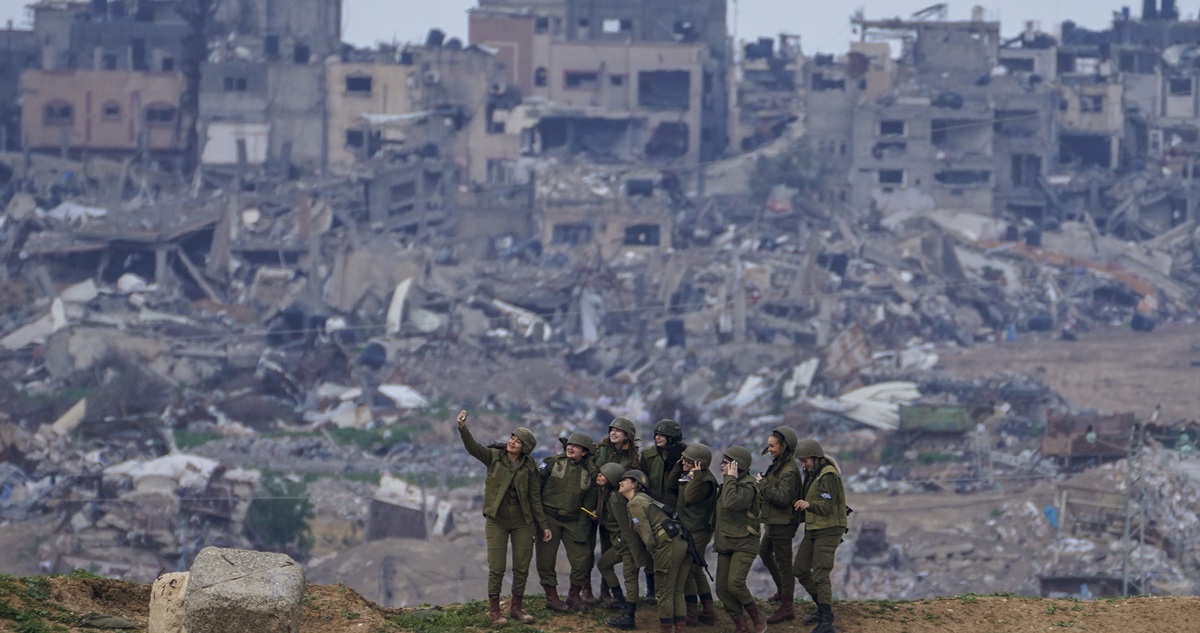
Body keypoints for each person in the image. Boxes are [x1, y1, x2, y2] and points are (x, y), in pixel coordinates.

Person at [456, 410, 552, 625]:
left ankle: (516, 608)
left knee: (521, 566)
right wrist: (462, 428)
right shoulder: (493, 456)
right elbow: (473, 447)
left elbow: (534, 497)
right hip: (496, 519)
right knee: (497, 566)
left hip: (522, 521)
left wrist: (543, 524)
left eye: (518, 441)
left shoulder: (529, 466)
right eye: (512, 438)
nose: (512, 442)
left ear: (525, 448)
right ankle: (494, 612)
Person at [620, 469, 692, 633]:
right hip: (681, 542)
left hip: (667, 544)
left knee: (664, 591)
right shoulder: (647, 499)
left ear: (635, 485)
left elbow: (647, 536)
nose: (620, 482)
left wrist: (655, 555)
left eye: (625, 480)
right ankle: (680, 628)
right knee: (677, 591)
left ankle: (666, 629)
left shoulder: (635, 503)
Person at [537, 431, 598, 612]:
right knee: (546, 559)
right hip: (549, 517)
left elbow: (589, 503)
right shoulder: (552, 463)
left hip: (574, 520)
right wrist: (540, 521)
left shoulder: (590, 474)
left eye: (576, 446)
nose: (571, 448)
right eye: (569, 445)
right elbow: (536, 489)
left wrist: (583, 528)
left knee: (582, 559)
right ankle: (551, 597)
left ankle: (574, 595)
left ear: (584, 452)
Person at [791, 439, 847, 633]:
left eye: (805, 461)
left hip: (829, 529)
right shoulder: (813, 474)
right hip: (814, 528)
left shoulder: (827, 475)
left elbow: (827, 506)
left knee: (821, 573)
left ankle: (826, 621)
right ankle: (822, 609)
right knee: (800, 568)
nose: (803, 465)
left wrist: (809, 505)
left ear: (815, 458)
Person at [593, 416, 645, 609]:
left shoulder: (632, 458)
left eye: (618, 430)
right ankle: (611, 595)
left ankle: (625, 605)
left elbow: (626, 526)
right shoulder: (601, 449)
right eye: (612, 429)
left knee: (627, 572)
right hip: (602, 502)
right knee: (605, 556)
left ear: (627, 436)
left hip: (619, 517)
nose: (613, 433)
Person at [714, 446, 767, 633]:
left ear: (738, 466)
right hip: (726, 541)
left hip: (745, 542)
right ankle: (741, 625)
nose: (722, 466)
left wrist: (730, 478)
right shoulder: (727, 485)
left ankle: (756, 615)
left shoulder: (748, 487)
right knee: (722, 589)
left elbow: (731, 503)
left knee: (735, 584)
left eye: (726, 463)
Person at [756, 426, 803, 623]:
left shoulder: (789, 471)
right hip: (774, 522)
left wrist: (762, 483)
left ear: (784, 447)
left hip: (783, 523)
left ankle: (787, 606)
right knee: (764, 552)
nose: (770, 450)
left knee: (784, 565)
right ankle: (782, 591)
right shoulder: (779, 465)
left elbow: (783, 498)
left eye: (772, 446)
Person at [639, 418, 687, 603]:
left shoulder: (684, 456)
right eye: (656, 434)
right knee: (650, 549)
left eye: (662, 435)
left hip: (675, 508)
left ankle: (674, 592)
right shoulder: (648, 455)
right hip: (652, 506)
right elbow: (642, 478)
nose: (657, 438)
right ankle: (651, 590)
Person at [676, 442, 718, 626]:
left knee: (687, 572)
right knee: (696, 570)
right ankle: (708, 611)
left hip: (698, 531)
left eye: (688, 460)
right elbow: (673, 482)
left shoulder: (704, 482)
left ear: (699, 464)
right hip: (690, 528)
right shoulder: (691, 476)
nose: (683, 463)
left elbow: (690, 497)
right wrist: (684, 467)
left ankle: (691, 614)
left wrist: (697, 476)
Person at [594, 463, 638, 629]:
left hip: (626, 544)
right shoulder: (606, 495)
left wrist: (630, 547)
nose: (599, 476)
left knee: (630, 578)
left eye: (603, 475)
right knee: (603, 564)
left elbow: (625, 525)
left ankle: (629, 615)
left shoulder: (615, 499)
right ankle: (618, 599)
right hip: (621, 543)